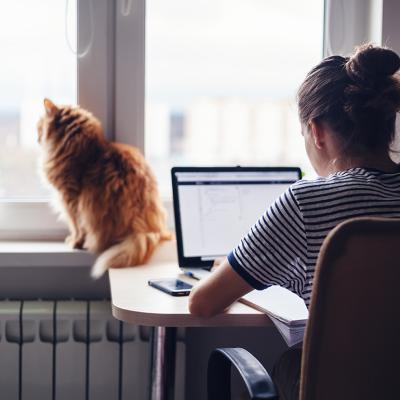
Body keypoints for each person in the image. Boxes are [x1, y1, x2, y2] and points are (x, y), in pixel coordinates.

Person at [188, 44, 400, 399]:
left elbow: (203, 303)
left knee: (290, 363)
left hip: (341, 388)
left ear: (316, 132)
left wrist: (234, 269)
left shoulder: (307, 202)